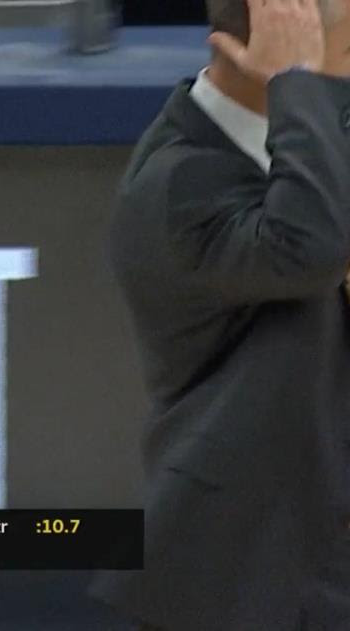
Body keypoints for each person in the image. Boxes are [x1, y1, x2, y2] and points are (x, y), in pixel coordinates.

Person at [91, 0, 350, 629]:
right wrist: (297, 84)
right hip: (233, 585)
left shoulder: (322, 142)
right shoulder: (177, 187)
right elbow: (310, 249)